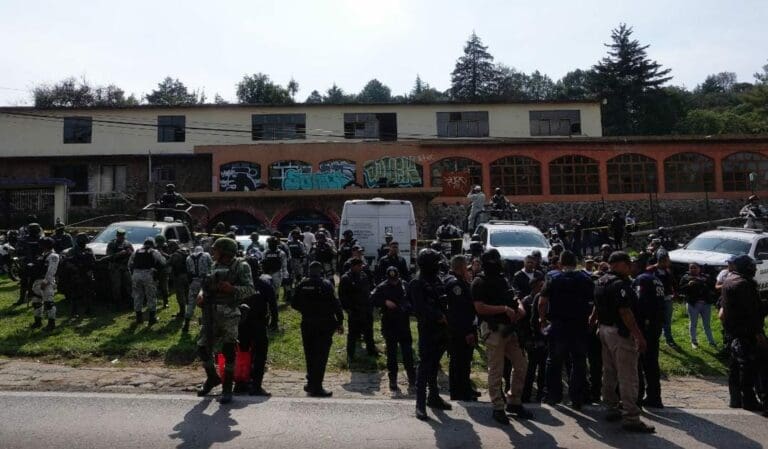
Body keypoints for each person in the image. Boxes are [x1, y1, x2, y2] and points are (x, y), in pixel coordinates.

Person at [593, 251, 655, 433]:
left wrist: (593, 322)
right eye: (629, 264)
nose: (631, 268)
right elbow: (625, 312)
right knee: (628, 375)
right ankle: (631, 417)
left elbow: (596, 306)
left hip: (604, 330)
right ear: (624, 264)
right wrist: (638, 336)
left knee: (609, 371)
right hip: (620, 333)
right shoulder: (620, 284)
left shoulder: (601, 281)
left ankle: (611, 407)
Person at [472, 248, 532, 425]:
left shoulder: (502, 278)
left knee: (521, 365)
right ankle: (498, 407)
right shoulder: (479, 282)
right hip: (494, 329)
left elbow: (513, 296)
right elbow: (480, 307)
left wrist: (519, 307)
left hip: (510, 328)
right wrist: (503, 309)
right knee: (496, 369)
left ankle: (514, 401)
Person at [196, 237, 255, 405]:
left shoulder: (241, 266)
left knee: (229, 349)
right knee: (202, 346)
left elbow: (250, 289)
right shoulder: (213, 265)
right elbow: (206, 284)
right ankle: (212, 378)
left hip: (229, 313)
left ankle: (227, 388)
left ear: (225, 252)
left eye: (216, 250)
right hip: (210, 312)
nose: (213, 253)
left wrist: (233, 289)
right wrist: (201, 294)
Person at [538, 250, 593, 409]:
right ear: (576, 263)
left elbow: (542, 302)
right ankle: (577, 397)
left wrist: (542, 320)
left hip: (559, 325)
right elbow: (594, 301)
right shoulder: (585, 279)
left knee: (554, 361)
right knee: (579, 362)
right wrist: (591, 320)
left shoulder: (553, 278)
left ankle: (553, 396)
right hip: (579, 326)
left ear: (560, 263)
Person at [721, 255, 767, 413]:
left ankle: (736, 399)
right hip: (747, 332)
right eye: (752, 266)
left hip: (733, 331)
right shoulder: (744, 284)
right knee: (751, 366)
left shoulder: (729, 280)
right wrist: (758, 333)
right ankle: (749, 400)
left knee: (736, 366)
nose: (754, 269)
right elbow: (751, 312)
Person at [410, 248, 452, 420]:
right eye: (434, 262)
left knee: (435, 365)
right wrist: (438, 316)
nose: (438, 265)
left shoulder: (437, 279)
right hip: (428, 329)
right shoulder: (417, 283)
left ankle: (433, 397)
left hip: (442, 330)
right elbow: (419, 308)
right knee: (424, 366)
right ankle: (420, 404)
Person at [292, 261, 344, 397]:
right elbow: (335, 303)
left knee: (309, 354)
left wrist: (306, 310)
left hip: (307, 323)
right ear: (320, 271)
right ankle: (317, 386)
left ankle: (311, 383)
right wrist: (340, 321)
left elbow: (294, 303)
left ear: (309, 271)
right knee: (321, 356)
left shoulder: (302, 284)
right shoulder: (326, 284)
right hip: (324, 324)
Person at [372, 265, 415, 393]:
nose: (394, 282)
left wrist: (408, 307)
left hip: (403, 323)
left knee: (408, 354)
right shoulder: (382, 286)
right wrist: (385, 302)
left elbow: (412, 300)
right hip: (389, 324)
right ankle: (393, 380)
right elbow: (372, 298)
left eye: (395, 279)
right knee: (391, 355)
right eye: (391, 280)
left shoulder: (405, 285)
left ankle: (412, 380)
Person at [632, 258, 666, 409]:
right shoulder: (657, 280)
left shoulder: (641, 280)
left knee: (639, 362)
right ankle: (654, 396)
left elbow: (640, 302)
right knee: (652, 362)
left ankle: (638, 396)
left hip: (645, 326)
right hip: (656, 324)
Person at [445, 255, 479, 401]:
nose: (468, 269)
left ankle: (465, 388)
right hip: (460, 331)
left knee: (465, 362)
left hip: (465, 328)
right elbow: (459, 312)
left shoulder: (461, 282)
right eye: (466, 266)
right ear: (461, 268)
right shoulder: (455, 284)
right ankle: (458, 392)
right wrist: (467, 332)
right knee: (459, 362)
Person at [239, 258, 274, 397]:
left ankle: (241, 383)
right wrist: (275, 322)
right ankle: (256, 386)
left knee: (242, 354)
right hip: (258, 324)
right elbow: (273, 304)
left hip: (241, 325)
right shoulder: (263, 284)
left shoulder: (239, 284)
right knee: (259, 355)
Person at [339, 258, 377, 362]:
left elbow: (368, 290)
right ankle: (350, 355)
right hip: (354, 311)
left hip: (366, 309)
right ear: (353, 266)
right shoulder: (346, 278)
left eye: (361, 266)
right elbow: (342, 296)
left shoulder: (363, 276)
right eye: (359, 266)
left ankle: (371, 351)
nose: (361, 267)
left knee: (369, 332)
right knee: (352, 334)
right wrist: (348, 309)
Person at [128, 237, 166, 325]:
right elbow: (163, 262)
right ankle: (152, 319)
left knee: (137, 296)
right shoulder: (154, 252)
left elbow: (129, 264)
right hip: (148, 275)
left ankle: (139, 319)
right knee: (151, 296)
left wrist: (133, 274)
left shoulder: (136, 251)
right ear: (152, 244)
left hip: (136, 275)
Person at [679, 263, 717, 349]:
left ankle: (711, 341)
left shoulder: (705, 277)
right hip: (693, 304)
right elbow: (680, 290)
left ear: (699, 269)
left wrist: (704, 283)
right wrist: (688, 285)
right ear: (689, 269)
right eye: (691, 268)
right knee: (693, 323)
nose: (693, 269)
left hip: (706, 304)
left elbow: (713, 286)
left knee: (707, 324)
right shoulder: (685, 278)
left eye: (695, 268)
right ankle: (694, 341)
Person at [521, 277, 546, 403]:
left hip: (544, 339)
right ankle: (526, 395)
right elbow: (524, 323)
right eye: (541, 285)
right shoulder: (527, 301)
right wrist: (527, 339)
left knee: (543, 369)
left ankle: (541, 394)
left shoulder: (545, 299)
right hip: (532, 339)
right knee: (530, 369)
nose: (543, 287)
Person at [60, 233, 96, 317]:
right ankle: (74, 312)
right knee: (75, 295)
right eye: (82, 241)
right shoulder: (72, 251)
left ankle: (88, 310)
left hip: (87, 274)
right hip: (76, 274)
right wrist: (75, 269)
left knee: (88, 294)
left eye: (84, 242)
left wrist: (90, 270)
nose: (83, 243)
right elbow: (67, 263)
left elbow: (93, 261)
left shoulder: (89, 250)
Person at [28, 237, 60, 330]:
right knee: (36, 302)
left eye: (42, 245)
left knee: (49, 303)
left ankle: (51, 323)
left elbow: (52, 270)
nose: (40, 246)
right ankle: (37, 322)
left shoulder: (53, 256)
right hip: (37, 282)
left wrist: (45, 282)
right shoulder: (42, 255)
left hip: (46, 282)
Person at [184, 246, 213, 333]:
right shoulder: (206, 255)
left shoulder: (188, 258)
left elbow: (188, 270)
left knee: (191, 303)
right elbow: (212, 266)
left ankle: (186, 323)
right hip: (205, 282)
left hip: (194, 282)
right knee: (206, 303)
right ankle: (204, 324)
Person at [15, 222, 42, 306]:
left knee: (34, 282)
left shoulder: (41, 239)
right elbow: (18, 250)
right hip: (26, 263)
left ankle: (31, 297)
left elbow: (44, 251)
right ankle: (22, 298)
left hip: (37, 264)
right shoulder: (23, 239)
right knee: (24, 282)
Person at [106, 228, 133, 309]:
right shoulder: (112, 244)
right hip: (115, 268)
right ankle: (117, 304)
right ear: (117, 236)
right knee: (116, 287)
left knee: (129, 285)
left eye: (123, 236)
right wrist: (120, 254)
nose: (121, 237)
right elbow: (109, 256)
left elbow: (133, 254)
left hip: (125, 267)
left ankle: (130, 302)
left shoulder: (127, 243)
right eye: (120, 236)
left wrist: (129, 252)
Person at [654, 254, 677, 347]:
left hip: (667, 298)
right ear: (662, 261)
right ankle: (655, 338)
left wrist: (675, 292)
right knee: (656, 320)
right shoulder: (651, 270)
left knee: (667, 320)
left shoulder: (668, 271)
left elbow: (673, 282)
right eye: (668, 261)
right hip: (655, 300)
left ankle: (668, 338)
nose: (669, 263)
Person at [262, 236, 288, 308]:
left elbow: (284, 265)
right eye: (270, 243)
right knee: (267, 289)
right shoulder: (265, 252)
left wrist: (285, 275)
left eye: (272, 243)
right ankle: (267, 304)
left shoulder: (281, 253)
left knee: (276, 290)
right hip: (266, 273)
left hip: (277, 273)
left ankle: (275, 303)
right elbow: (262, 262)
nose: (271, 244)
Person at [167, 240, 190, 319]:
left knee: (180, 295)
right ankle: (189, 311)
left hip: (179, 276)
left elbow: (169, 263)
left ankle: (182, 312)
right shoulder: (185, 251)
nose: (169, 249)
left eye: (170, 247)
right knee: (187, 293)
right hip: (187, 275)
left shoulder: (175, 254)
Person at [154, 234, 172, 309]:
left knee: (164, 287)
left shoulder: (166, 247)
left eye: (161, 242)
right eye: (158, 242)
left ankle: (166, 302)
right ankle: (154, 302)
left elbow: (170, 257)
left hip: (164, 269)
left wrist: (162, 253)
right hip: (155, 269)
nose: (159, 244)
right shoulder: (154, 247)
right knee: (154, 287)